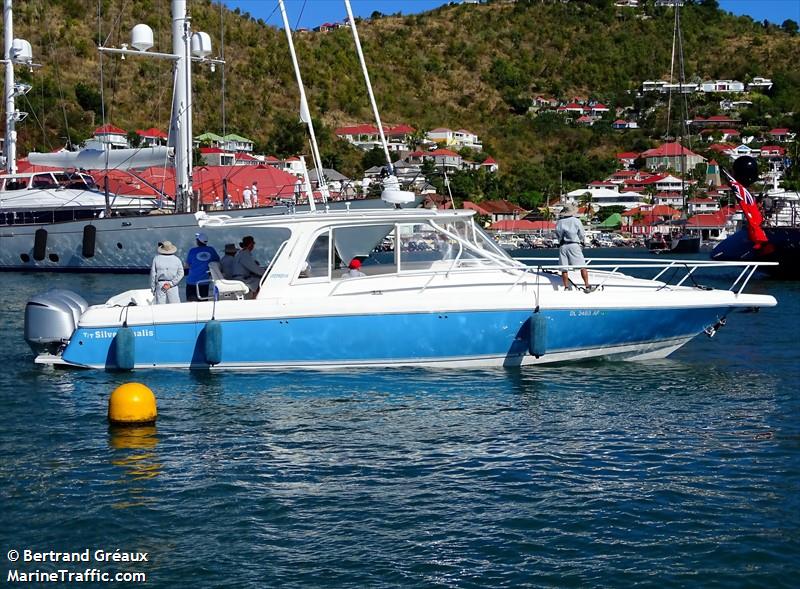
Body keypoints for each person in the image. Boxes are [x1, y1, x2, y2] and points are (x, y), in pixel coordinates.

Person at [555, 204, 593, 292]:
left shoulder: (559, 222)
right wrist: (582, 241)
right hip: (574, 244)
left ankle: (566, 287)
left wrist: (560, 240)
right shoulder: (576, 221)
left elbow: (557, 234)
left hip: (563, 246)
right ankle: (587, 286)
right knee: (582, 266)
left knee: (564, 268)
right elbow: (581, 233)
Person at [185, 232, 220, 301]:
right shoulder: (211, 250)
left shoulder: (192, 251)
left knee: (191, 302)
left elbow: (187, 265)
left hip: (191, 281)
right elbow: (217, 262)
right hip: (204, 282)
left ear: (198, 241)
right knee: (203, 303)